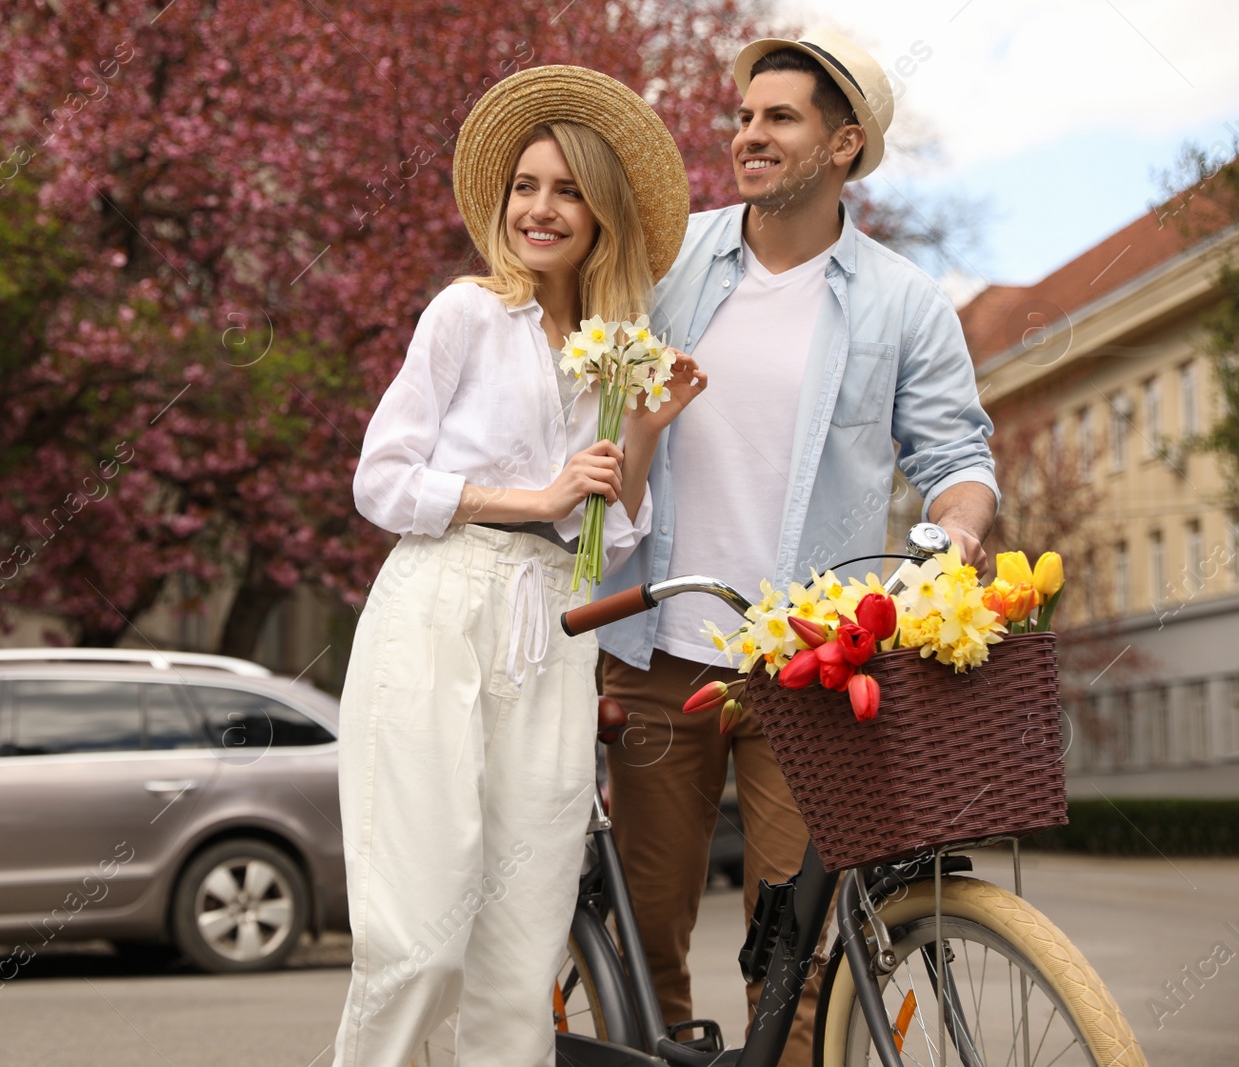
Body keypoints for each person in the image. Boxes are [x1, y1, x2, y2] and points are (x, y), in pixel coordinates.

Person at [593, 28, 1000, 1067]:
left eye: (779, 118)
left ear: (844, 143)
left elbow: (956, 452)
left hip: (809, 666)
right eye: (743, 117)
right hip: (658, 649)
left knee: (797, 954)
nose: (748, 137)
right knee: (644, 936)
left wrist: (955, 528)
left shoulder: (902, 302)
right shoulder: (671, 259)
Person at [331, 65, 704, 1067]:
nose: (541, 208)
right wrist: (530, 496)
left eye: (568, 189)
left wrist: (649, 430)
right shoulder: (463, 314)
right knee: (414, 938)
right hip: (439, 608)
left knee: (518, 948)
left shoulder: (614, 353)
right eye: (527, 186)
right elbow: (381, 481)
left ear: (602, 214)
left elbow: (610, 536)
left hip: (555, 630)